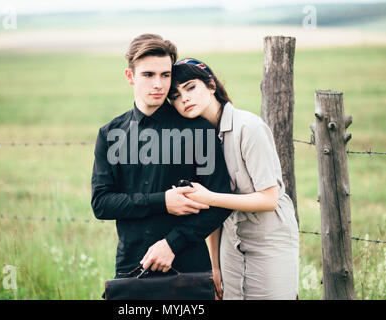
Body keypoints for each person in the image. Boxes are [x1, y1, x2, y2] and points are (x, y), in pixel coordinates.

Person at [90, 34, 233, 284]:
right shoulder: (110, 134)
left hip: (188, 269)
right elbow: (102, 203)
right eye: (148, 75)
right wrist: (162, 202)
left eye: (165, 75)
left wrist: (172, 244)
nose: (158, 84)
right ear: (130, 77)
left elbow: (221, 200)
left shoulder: (198, 130)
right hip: (131, 268)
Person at [168, 58, 299, 300]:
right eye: (175, 95)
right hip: (230, 242)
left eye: (190, 87)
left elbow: (269, 199)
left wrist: (209, 197)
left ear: (211, 85)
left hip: (268, 239)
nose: (184, 98)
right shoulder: (196, 139)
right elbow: (211, 212)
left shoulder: (248, 127)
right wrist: (214, 266)